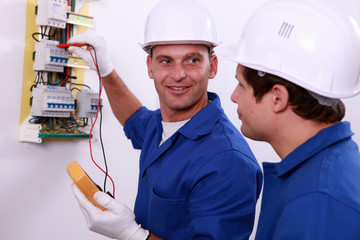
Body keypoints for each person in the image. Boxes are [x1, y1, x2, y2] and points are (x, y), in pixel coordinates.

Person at [68, 0, 262, 239]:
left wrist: (132, 234)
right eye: (166, 61)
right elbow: (133, 118)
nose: (178, 75)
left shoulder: (228, 162)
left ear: (212, 67)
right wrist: (106, 71)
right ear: (150, 67)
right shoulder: (160, 126)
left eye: (192, 60)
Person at [216, 0, 360, 239]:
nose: (233, 96)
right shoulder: (323, 172)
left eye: (241, 85)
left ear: (277, 98)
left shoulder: (318, 205)